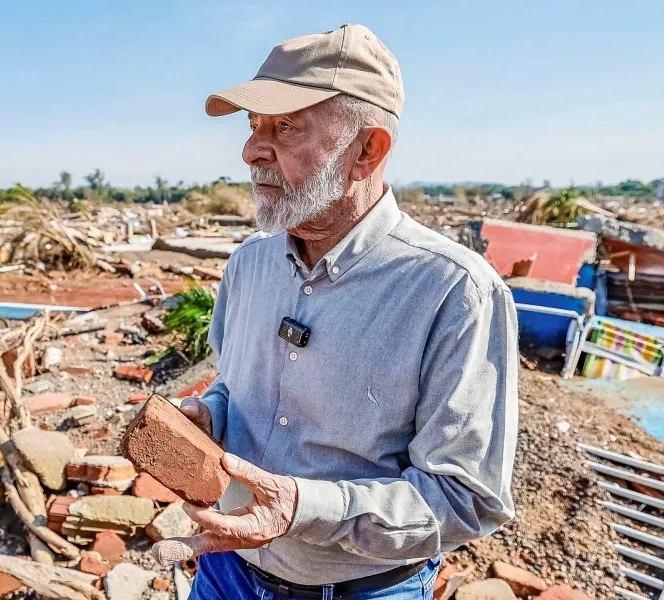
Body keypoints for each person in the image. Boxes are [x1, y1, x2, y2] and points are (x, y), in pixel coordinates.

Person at [150, 25, 520, 600]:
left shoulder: (453, 291)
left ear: (367, 149)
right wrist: (210, 419)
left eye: (286, 126)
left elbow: (465, 498)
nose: (251, 150)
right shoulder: (249, 264)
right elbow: (235, 386)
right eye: (253, 127)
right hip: (228, 573)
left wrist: (304, 509)